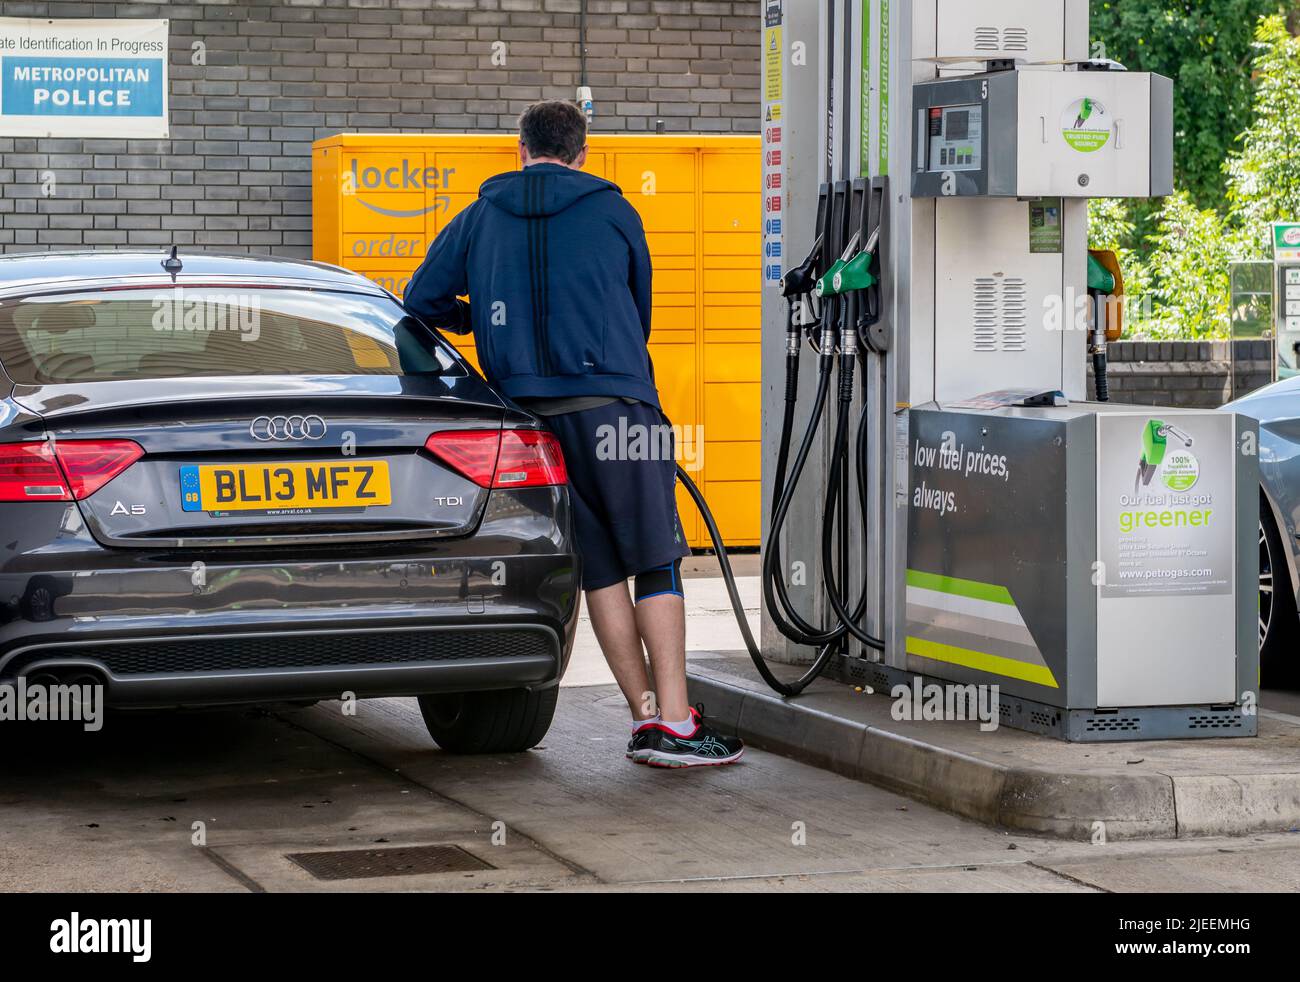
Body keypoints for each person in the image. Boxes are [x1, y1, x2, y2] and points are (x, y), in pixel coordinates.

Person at [404, 100, 744, 768]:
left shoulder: (477, 217)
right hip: (618, 408)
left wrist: (486, 325)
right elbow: (637, 307)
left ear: (520, 149)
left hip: (530, 420)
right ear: (582, 153)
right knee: (653, 557)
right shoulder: (614, 209)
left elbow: (421, 302)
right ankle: (676, 723)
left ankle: (647, 718)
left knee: (601, 567)